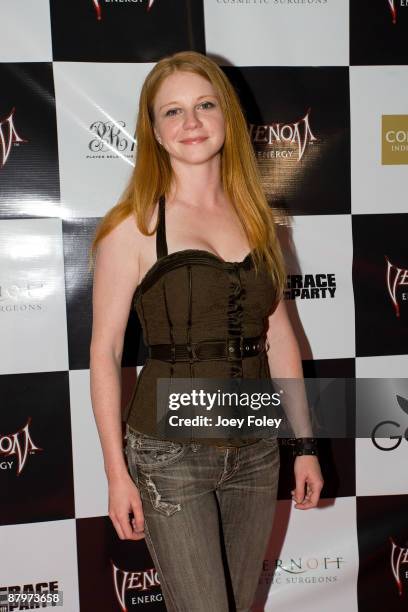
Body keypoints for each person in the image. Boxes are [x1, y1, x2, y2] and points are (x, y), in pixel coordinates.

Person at [89, 50, 324, 612]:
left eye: (204, 105)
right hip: (170, 453)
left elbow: (281, 336)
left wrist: (304, 447)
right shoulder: (135, 225)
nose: (190, 122)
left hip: (256, 447)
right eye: (172, 112)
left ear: (227, 116)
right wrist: (116, 474)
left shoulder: (260, 218)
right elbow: (104, 353)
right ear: (155, 132)